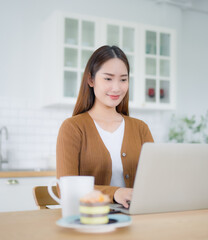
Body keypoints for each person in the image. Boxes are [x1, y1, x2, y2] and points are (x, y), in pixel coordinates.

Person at [56, 45, 154, 208]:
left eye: (123, 79)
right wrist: (115, 193)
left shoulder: (140, 128)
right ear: (91, 79)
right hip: (91, 221)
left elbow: (155, 179)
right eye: (108, 78)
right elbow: (65, 189)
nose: (116, 88)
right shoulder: (73, 128)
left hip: (137, 221)